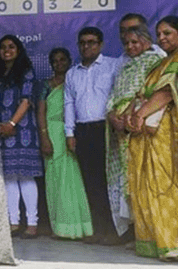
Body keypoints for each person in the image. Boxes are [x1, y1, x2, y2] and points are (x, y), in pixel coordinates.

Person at [126, 15, 178, 259]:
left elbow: (165, 92)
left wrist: (141, 114)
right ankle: (156, 240)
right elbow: (144, 93)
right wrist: (133, 115)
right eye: (159, 34)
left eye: (168, 33)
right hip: (148, 134)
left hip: (168, 134)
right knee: (150, 185)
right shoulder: (162, 63)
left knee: (168, 183)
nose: (162, 38)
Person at [64, 26, 122, 245]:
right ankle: (99, 229)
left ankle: (117, 232)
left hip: (107, 129)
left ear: (101, 44)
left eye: (91, 42)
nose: (86, 46)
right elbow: (68, 104)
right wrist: (70, 133)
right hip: (83, 131)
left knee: (111, 181)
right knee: (92, 182)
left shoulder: (113, 65)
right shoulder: (72, 73)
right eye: (82, 43)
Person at [104, 25, 162, 241]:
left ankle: (151, 234)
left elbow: (149, 94)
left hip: (141, 127)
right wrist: (112, 115)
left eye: (135, 42)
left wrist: (130, 113)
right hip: (119, 132)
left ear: (147, 42)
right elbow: (113, 95)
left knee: (141, 179)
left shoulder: (155, 61)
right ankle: (135, 233)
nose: (130, 47)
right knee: (124, 181)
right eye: (126, 43)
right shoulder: (124, 66)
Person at [0, 35, 43, 238]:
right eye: (2, 47)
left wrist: (11, 124)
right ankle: (13, 223)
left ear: (18, 50)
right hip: (0, 132)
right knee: (8, 178)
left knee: (25, 176)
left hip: (22, 131)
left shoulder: (26, 72)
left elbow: (26, 101)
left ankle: (32, 224)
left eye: (11, 47)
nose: (6, 50)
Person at [38, 48, 92, 239]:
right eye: (55, 61)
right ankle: (61, 227)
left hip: (72, 132)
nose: (58, 64)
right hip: (52, 133)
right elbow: (40, 112)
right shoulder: (46, 85)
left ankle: (80, 226)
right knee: (56, 180)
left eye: (62, 60)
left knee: (75, 179)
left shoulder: (75, 79)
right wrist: (44, 137)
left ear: (69, 61)